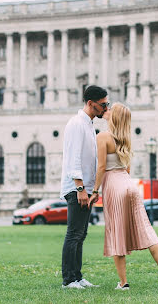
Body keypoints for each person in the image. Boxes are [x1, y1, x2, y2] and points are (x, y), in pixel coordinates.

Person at [90, 102, 158, 290]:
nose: (106, 110)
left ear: (114, 115)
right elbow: (127, 168)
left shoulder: (103, 137)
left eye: (110, 109)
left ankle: (123, 283)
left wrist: (95, 191)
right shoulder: (125, 139)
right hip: (130, 184)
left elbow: (101, 167)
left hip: (114, 186)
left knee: (117, 234)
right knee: (147, 230)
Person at [60, 85, 109, 289]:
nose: (106, 109)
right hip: (76, 189)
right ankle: (68, 279)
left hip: (85, 189)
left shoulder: (89, 125)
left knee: (81, 234)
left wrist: (92, 189)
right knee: (74, 234)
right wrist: (80, 188)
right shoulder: (76, 124)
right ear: (91, 103)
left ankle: (77, 276)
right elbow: (74, 158)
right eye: (103, 105)